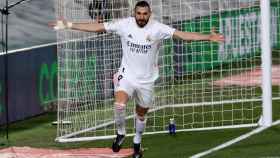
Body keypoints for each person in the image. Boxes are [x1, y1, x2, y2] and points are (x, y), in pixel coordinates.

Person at [49, 1, 224, 158]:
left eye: (144, 14)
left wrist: (208, 37)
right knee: (119, 105)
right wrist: (69, 24)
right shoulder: (124, 25)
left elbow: (183, 35)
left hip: (147, 81)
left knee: (141, 114)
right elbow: (98, 27)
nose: (141, 17)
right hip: (127, 76)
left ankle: (137, 141)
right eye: (138, 13)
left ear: (150, 14)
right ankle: (121, 133)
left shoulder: (158, 28)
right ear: (134, 13)